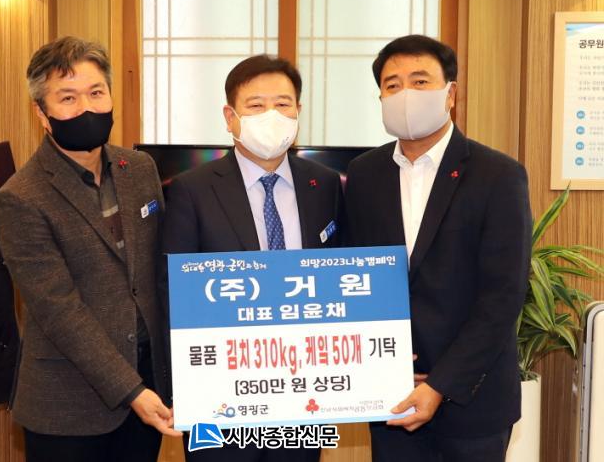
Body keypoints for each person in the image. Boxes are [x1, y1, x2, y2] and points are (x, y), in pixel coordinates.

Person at [344, 34, 532, 462]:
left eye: (420, 81)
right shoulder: (364, 174)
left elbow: (503, 295)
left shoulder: (498, 175)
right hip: (391, 395)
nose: (405, 94)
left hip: (472, 400)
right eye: (392, 85)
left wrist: (439, 384)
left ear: (451, 93)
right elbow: (354, 275)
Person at [0, 36, 181, 462]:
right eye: (68, 98)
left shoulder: (140, 169)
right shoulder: (21, 197)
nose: (87, 108)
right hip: (68, 407)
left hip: (148, 384)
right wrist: (132, 391)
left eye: (96, 93)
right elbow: (60, 311)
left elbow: (160, 272)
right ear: (41, 114)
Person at [162, 54, 343, 462]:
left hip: (303, 387)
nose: (271, 116)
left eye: (283, 104)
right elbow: (171, 289)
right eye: (256, 106)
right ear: (230, 117)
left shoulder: (326, 185)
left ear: (298, 112)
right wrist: (180, 387)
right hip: (218, 392)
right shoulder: (191, 189)